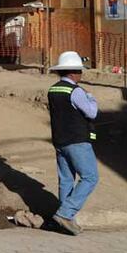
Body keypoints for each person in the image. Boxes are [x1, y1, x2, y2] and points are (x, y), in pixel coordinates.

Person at [47, 51, 100, 236]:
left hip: (60, 141)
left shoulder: (53, 89)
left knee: (66, 180)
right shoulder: (76, 91)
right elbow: (92, 113)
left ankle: (65, 220)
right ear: (72, 73)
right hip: (77, 141)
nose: (81, 74)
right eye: (79, 71)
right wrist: (91, 98)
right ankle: (65, 213)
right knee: (90, 177)